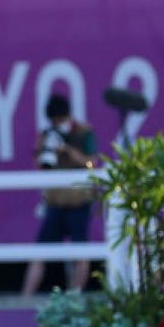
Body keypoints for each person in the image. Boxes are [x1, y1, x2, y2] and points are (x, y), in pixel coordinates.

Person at [20, 94, 97, 297]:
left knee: (81, 253)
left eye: (60, 120)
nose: (58, 124)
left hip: (79, 202)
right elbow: (41, 167)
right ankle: (25, 297)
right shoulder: (47, 135)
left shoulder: (83, 133)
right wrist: (41, 150)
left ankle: (74, 296)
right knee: (40, 253)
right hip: (55, 203)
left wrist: (69, 151)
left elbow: (92, 163)